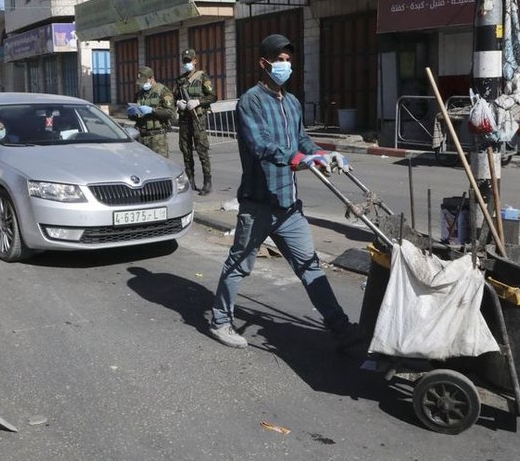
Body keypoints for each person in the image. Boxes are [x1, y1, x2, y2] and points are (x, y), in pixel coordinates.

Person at [207, 33, 361, 350]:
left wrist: (323, 155)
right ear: (264, 64)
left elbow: (302, 140)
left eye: (288, 60)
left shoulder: (291, 102)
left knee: (310, 267)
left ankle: (340, 327)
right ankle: (220, 321)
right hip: (258, 203)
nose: (285, 65)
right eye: (279, 60)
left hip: (288, 205)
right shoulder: (250, 101)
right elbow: (261, 145)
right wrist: (298, 159)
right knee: (240, 265)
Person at [174, 48, 217, 195]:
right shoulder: (180, 80)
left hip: (198, 118)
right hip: (185, 119)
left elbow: (212, 96)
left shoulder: (202, 77)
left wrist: (198, 101)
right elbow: (174, 97)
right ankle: (190, 181)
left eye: (189, 61)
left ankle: (207, 181)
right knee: (186, 150)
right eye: (184, 61)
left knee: (201, 150)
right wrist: (179, 102)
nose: (186, 63)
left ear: (195, 61)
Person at [126, 66, 175, 157]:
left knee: (161, 167)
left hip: (157, 138)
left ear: (151, 78)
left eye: (144, 82)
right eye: (141, 82)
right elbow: (134, 116)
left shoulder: (163, 91)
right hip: (141, 136)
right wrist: (131, 113)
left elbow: (171, 113)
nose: (142, 84)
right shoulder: (139, 94)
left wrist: (152, 110)